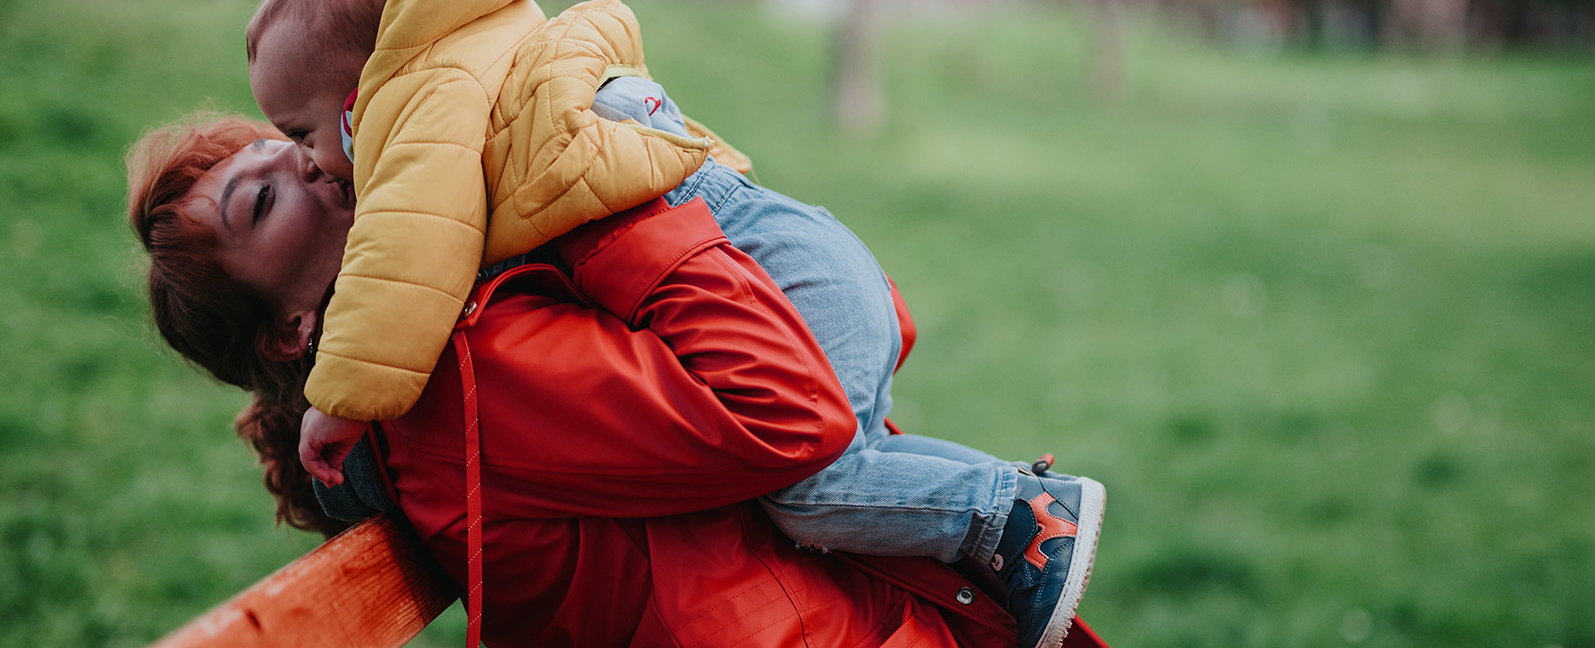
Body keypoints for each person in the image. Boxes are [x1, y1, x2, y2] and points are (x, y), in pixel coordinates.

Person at [244, 0, 1102, 648]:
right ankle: (1008, 521)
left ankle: (1010, 514)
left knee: (812, 492)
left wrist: (345, 396)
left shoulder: (419, 115)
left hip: (763, 262)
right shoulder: (488, 46)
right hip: (786, 243)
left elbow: (409, 263)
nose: (314, 162)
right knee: (854, 462)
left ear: (360, 102)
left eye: (300, 131)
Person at [125, 114, 1111, 648]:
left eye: (286, 144)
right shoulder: (461, 375)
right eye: (265, 197)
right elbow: (791, 408)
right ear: (290, 329)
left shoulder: (433, 353)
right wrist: (602, 193)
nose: (309, 164)